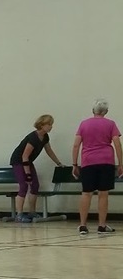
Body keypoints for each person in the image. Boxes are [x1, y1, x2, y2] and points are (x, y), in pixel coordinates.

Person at [72, 100, 123, 235]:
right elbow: (117, 143)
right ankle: (101, 226)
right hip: (106, 160)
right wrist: (121, 163)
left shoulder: (84, 124)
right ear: (106, 112)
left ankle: (83, 225)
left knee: (86, 193)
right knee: (103, 194)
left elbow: (76, 145)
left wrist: (74, 164)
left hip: (88, 161)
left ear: (93, 110)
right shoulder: (111, 124)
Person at [8, 114, 65, 222]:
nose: (51, 127)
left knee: (35, 185)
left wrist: (58, 163)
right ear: (42, 125)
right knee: (24, 185)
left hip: (27, 161)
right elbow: (24, 156)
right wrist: (28, 175)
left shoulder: (45, 137)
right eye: (49, 124)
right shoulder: (33, 138)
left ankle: (32, 212)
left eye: (51, 124)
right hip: (18, 161)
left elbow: (49, 151)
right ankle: (19, 215)